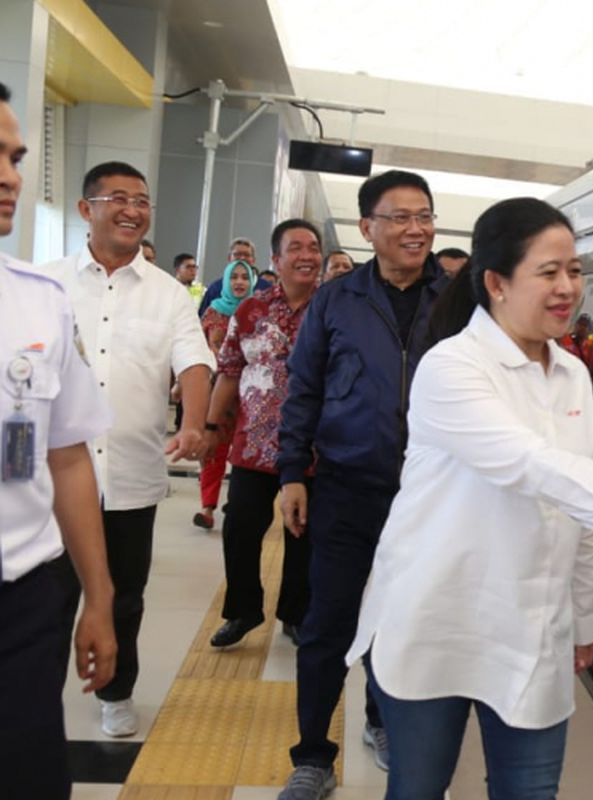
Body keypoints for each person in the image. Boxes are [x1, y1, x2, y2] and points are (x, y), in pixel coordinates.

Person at [347, 197, 593, 800]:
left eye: (574, 271)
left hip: (530, 627)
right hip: (437, 615)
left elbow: (579, 507)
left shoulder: (572, 372)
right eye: (549, 272)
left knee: (529, 791)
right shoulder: (453, 367)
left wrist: (585, 619)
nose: (568, 288)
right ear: (497, 282)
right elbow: (531, 465)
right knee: (418, 789)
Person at [276, 170, 449, 798]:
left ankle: (382, 720)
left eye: (424, 215)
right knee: (329, 624)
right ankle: (313, 757)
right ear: (367, 227)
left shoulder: (457, 301)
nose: (416, 228)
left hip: (430, 496)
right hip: (347, 487)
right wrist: (293, 472)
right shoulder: (337, 299)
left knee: (406, 625)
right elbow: (304, 390)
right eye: (400, 217)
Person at [40, 160, 215, 738]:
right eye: (118, 197)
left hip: (129, 476)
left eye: (142, 200)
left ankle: (117, 692)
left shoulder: (169, 295)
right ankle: (29, 697)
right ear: (86, 208)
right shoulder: (47, 284)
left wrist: (193, 423)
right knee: (40, 597)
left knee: (123, 596)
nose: (133, 209)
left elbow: (193, 360)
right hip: (46, 478)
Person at [0, 78, 117, 800]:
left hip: (25, 596)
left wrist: (97, 599)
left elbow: (67, 456)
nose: (9, 178)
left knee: (30, 775)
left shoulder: (38, 301)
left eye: (14, 158)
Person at [203, 221, 320, 649]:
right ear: (275, 260)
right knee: (240, 529)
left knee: (303, 534)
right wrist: (213, 427)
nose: (307, 255)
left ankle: (296, 613)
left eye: (313, 247)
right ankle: (243, 610)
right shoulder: (250, 311)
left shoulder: (333, 307)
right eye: (296, 248)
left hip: (314, 448)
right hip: (254, 444)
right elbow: (230, 371)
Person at [193, 259, 256, 530]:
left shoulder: (260, 310)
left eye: (245, 277)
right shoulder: (212, 312)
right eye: (235, 277)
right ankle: (207, 507)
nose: (239, 282)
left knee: (244, 452)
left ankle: (237, 502)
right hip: (217, 390)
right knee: (213, 448)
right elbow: (196, 348)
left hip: (251, 394)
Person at [198, 237, 266, 314]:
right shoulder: (215, 288)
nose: (242, 258)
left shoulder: (266, 287)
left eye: (247, 255)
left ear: (253, 260)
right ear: (229, 258)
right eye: (237, 254)